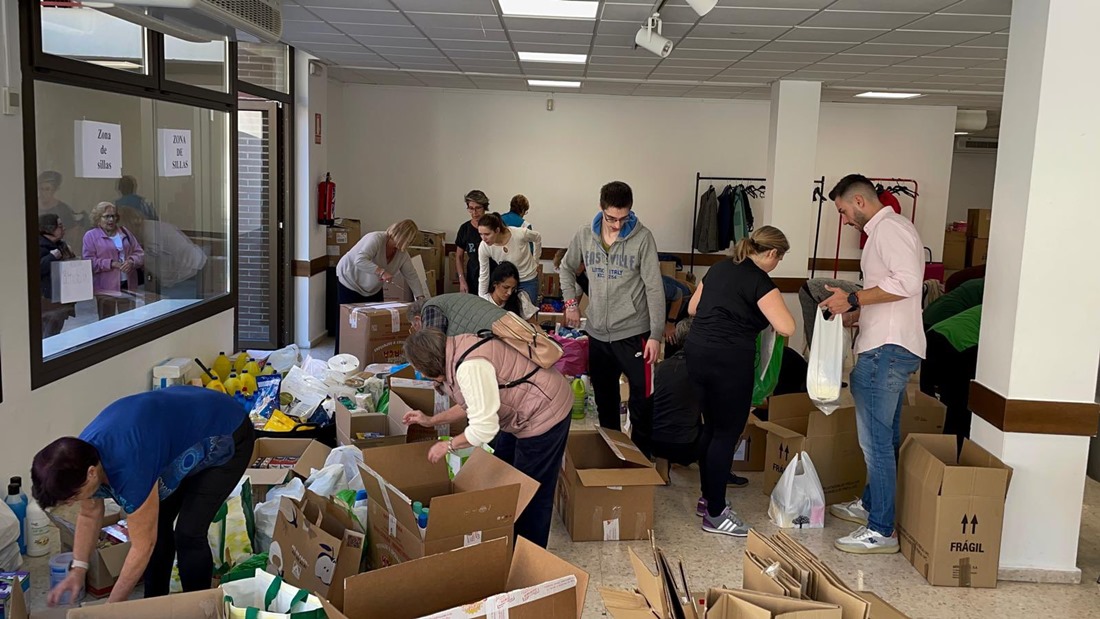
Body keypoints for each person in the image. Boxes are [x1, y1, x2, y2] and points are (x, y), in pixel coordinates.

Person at [31, 387, 255, 604]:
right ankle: (153, 604)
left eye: (72, 498)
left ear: (91, 473)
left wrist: (110, 610)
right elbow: (90, 515)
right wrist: (78, 570)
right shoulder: (78, 458)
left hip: (226, 430)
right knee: (159, 523)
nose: (74, 503)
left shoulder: (129, 469)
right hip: (180, 432)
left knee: (188, 533)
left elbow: (142, 546)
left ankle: (199, 607)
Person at [820, 174, 926, 555]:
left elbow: (910, 283)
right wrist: (856, 314)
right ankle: (870, 504)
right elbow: (893, 291)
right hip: (887, 344)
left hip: (886, 351)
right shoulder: (888, 230)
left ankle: (881, 530)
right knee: (885, 439)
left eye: (844, 211)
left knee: (875, 443)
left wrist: (853, 301)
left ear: (860, 201)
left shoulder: (889, 230)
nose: (845, 219)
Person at [401, 327, 571, 548]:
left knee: (531, 492)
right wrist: (431, 421)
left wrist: (449, 445)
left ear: (429, 365)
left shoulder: (470, 366)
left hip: (545, 411)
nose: (421, 375)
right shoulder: (454, 350)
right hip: (520, 414)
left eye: (419, 370)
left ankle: (527, 560)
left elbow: (484, 428)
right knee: (502, 473)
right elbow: (474, 404)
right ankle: (503, 537)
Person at [685, 225, 795, 536]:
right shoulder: (760, 281)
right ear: (771, 253)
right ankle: (717, 514)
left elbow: (693, 308)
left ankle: (708, 500)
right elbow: (787, 327)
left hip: (697, 353)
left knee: (710, 427)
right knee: (725, 433)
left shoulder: (718, 268)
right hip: (729, 361)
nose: (777, 265)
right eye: (779, 259)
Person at [560, 181, 664, 457]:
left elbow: (654, 288)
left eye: (623, 218)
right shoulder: (584, 235)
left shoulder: (643, 239)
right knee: (606, 402)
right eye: (611, 218)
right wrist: (571, 302)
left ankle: (641, 460)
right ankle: (613, 455)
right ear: (601, 208)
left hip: (634, 333)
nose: (617, 225)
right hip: (597, 334)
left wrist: (655, 335)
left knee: (643, 401)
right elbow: (566, 268)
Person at [923, 305, 982, 454]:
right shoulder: (1015, 319)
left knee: (939, 402)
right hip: (955, 346)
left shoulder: (991, 307)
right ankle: (953, 455)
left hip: (935, 336)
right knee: (960, 405)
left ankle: (934, 452)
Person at [83, 201, 145, 318]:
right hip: (105, 286)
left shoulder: (125, 232)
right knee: (107, 321)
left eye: (113, 216)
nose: (111, 220)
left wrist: (131, 261)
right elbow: (89, 262)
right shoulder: (91, 236)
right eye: (107, 216)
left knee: (128, 318)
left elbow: (140, 253)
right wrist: (111, 264)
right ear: (98, 218)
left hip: (128, 283)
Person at [476, 212, 542, 303]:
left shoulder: (520, 233)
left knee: (527, 314)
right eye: (480, 234)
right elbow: (484, 274)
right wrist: (482, 298)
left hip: (527, 279)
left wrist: (536, 260)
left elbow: (537, 237)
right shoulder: (484, 246)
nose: (483, 238)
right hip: (506, 282)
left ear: (497, 230)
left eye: (487, 234)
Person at [38, 214, 77, 337]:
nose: (64, 228)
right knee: (48, 333)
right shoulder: (38, 246)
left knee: (56, 331)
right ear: (49, 229)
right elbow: (37, 270)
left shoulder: (61, 245)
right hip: (48, 300)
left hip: (63, 298)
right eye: (59, 226)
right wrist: (51, 257)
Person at [409, 293, 506, 336]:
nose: (416, 331)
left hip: (496, 334)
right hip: (509, 323)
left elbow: (433, 349)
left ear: (417, 319)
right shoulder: (446, 301)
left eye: (414, 326)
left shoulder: (430, 308)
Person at [455, 190, 489, 295]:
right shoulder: (465, 229)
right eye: (471, 208)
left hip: (492, 276)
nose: (474, 213)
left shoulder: (493, 225)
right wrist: (462, 279)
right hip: (473, 277)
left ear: (484, 207)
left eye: (478, 208)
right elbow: (459, 256)